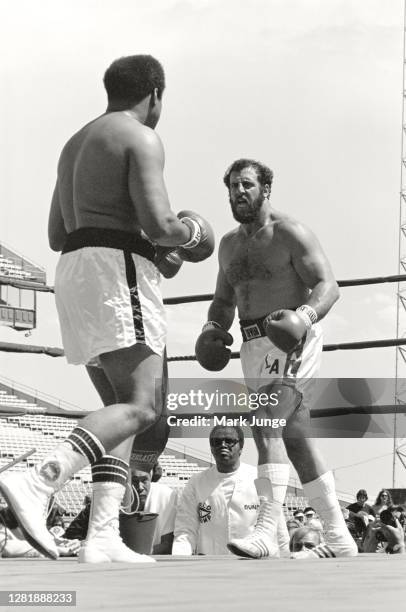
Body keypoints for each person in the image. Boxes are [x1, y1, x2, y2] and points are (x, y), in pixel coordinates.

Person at [0, 55, 214, 564]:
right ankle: (38, 480)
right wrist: (195, 233)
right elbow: (163, 225)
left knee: (118, 414)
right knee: (143, 405)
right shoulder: (140, 137)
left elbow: (57, 234)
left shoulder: (74, 144)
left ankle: (102, 536)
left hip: (75, 271)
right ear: (156, 94)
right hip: (113, 271)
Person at [195, 158, 358, 559]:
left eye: (247, 184)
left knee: (265, 423)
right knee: (296, 441)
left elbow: (328, 285)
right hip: (252, 347)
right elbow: (222, 300)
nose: (238, 192)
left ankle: (268, 527)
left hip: (291, 340)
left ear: (265, 189)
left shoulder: (290, 233)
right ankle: (339, 537)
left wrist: (302, 318)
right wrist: (213, 329)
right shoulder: (230, 245)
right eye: (232, 186)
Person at [172, 425, 289, 556]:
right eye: (216, 442)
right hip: (210, 566)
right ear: (211, 447)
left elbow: (279, 529)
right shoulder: (196, 482)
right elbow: (185, 530)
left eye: (229, 441)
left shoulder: (260, 478)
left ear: (241, 446)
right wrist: (179, 558)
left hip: (254, 564)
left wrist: (285, 557)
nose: (223, 445)